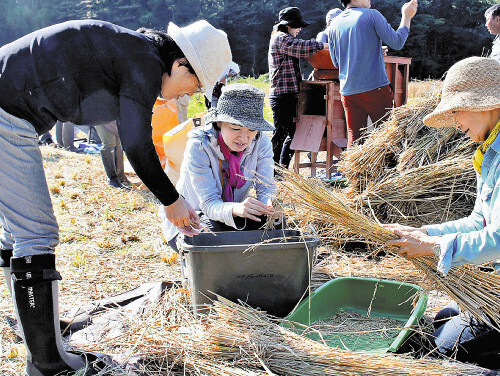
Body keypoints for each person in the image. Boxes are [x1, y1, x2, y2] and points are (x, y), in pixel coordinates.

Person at [0, 19, 231, 375]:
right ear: (179, 63)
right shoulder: (143, 61)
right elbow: (136, 143)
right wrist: (172, 200)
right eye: (193, 83)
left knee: (17, 233)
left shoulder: (131, 51)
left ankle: (31, 330)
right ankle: (48, 362)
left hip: (10, 106)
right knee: (36, 234)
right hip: (6, 112)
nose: (187, 94)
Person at [383, 57, 500, 370]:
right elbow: (481, 221)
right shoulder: (489, 153)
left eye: (457, 110)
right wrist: (426, 234)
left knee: (446, 347)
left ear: (486, 104)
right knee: (442, 319)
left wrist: (434, 248)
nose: (455, 122)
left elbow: (499, 239)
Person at [160, 83, 280, 252]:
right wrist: (236, 208)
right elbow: (209, 204)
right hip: (195, 218)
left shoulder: (261, 141)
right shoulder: (200, 146)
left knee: (274, 224)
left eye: (252, 129)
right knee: (211, 233)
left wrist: (269, 204)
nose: (244, 138)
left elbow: (266, 187)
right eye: (236, 128)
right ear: (219, 123)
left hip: (231, 215)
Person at [328, 0, 418, 149]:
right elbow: (397, 42)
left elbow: (337, 63)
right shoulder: (372, 15)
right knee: (389, 137)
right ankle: (390, 172)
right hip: (375, 89)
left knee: (356, 140)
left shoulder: (334, 24)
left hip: (348, 92)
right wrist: (406, 16)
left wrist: (370, 50)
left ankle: (353, 173)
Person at [268, 6, 327, 168]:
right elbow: (303, 47)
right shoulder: (281, 38)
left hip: (288, 95)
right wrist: (323, 45)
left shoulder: (282, 38)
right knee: (281, 134)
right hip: (281, 95)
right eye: (297, 26)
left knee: (292, 134)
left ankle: (281, 168)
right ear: (288, 26)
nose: (300, 29)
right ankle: (273, 170)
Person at [95, 121, 132, 189]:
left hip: (113, 117)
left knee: (118, 142)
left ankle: (120, 176)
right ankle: (113, 179)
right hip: (101, 116)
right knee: (109, 144)